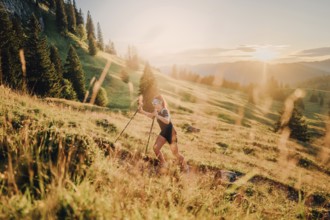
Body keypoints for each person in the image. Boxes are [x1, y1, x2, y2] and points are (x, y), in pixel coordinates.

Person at [138, 95, 189, 172]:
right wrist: (142, 111)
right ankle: (164, 164)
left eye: (155, 102)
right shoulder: (157, 111)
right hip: (164, 132)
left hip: (171, 133)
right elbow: (151, 116)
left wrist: (157, 116)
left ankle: (186, 167)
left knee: (175, 153)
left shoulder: (164, 110)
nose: (154, 104)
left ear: (160, 103)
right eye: (153, 102)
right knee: (156, 148)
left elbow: (167, 121)